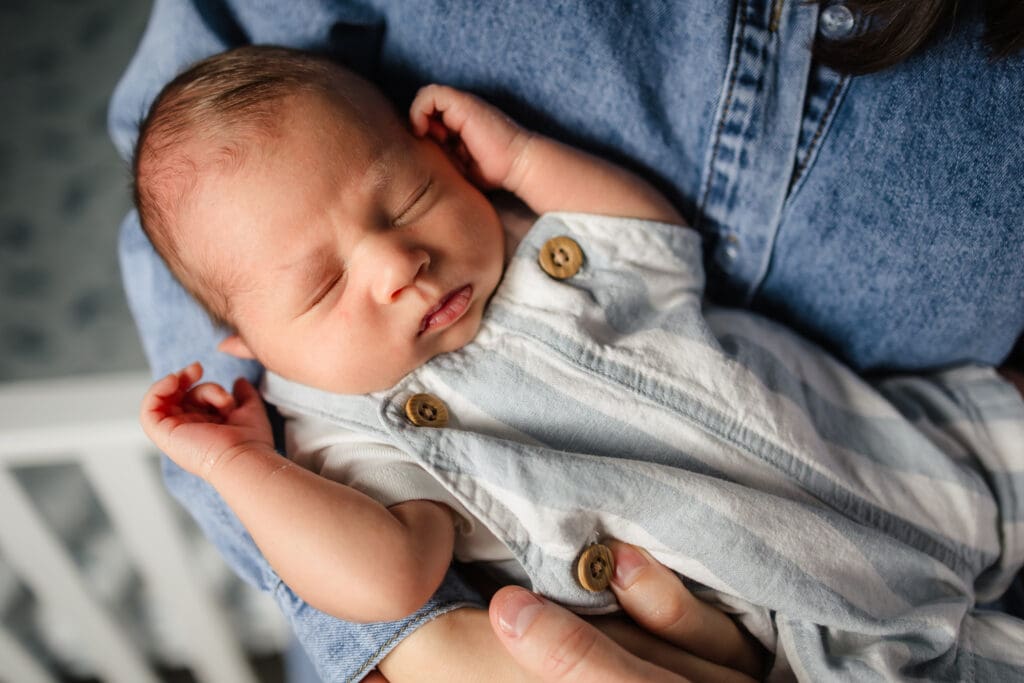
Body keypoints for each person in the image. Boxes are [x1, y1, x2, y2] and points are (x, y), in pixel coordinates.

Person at [110, 2, 1024, 680]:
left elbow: (650, 242)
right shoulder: (346, 434)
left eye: (408, 200)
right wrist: (239, 467)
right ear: (245, 342)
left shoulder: (535, 256)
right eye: (322, 285)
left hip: (915, 451)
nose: (397, 262)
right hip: (810, 636)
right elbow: (389, 579)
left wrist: (519, 161)